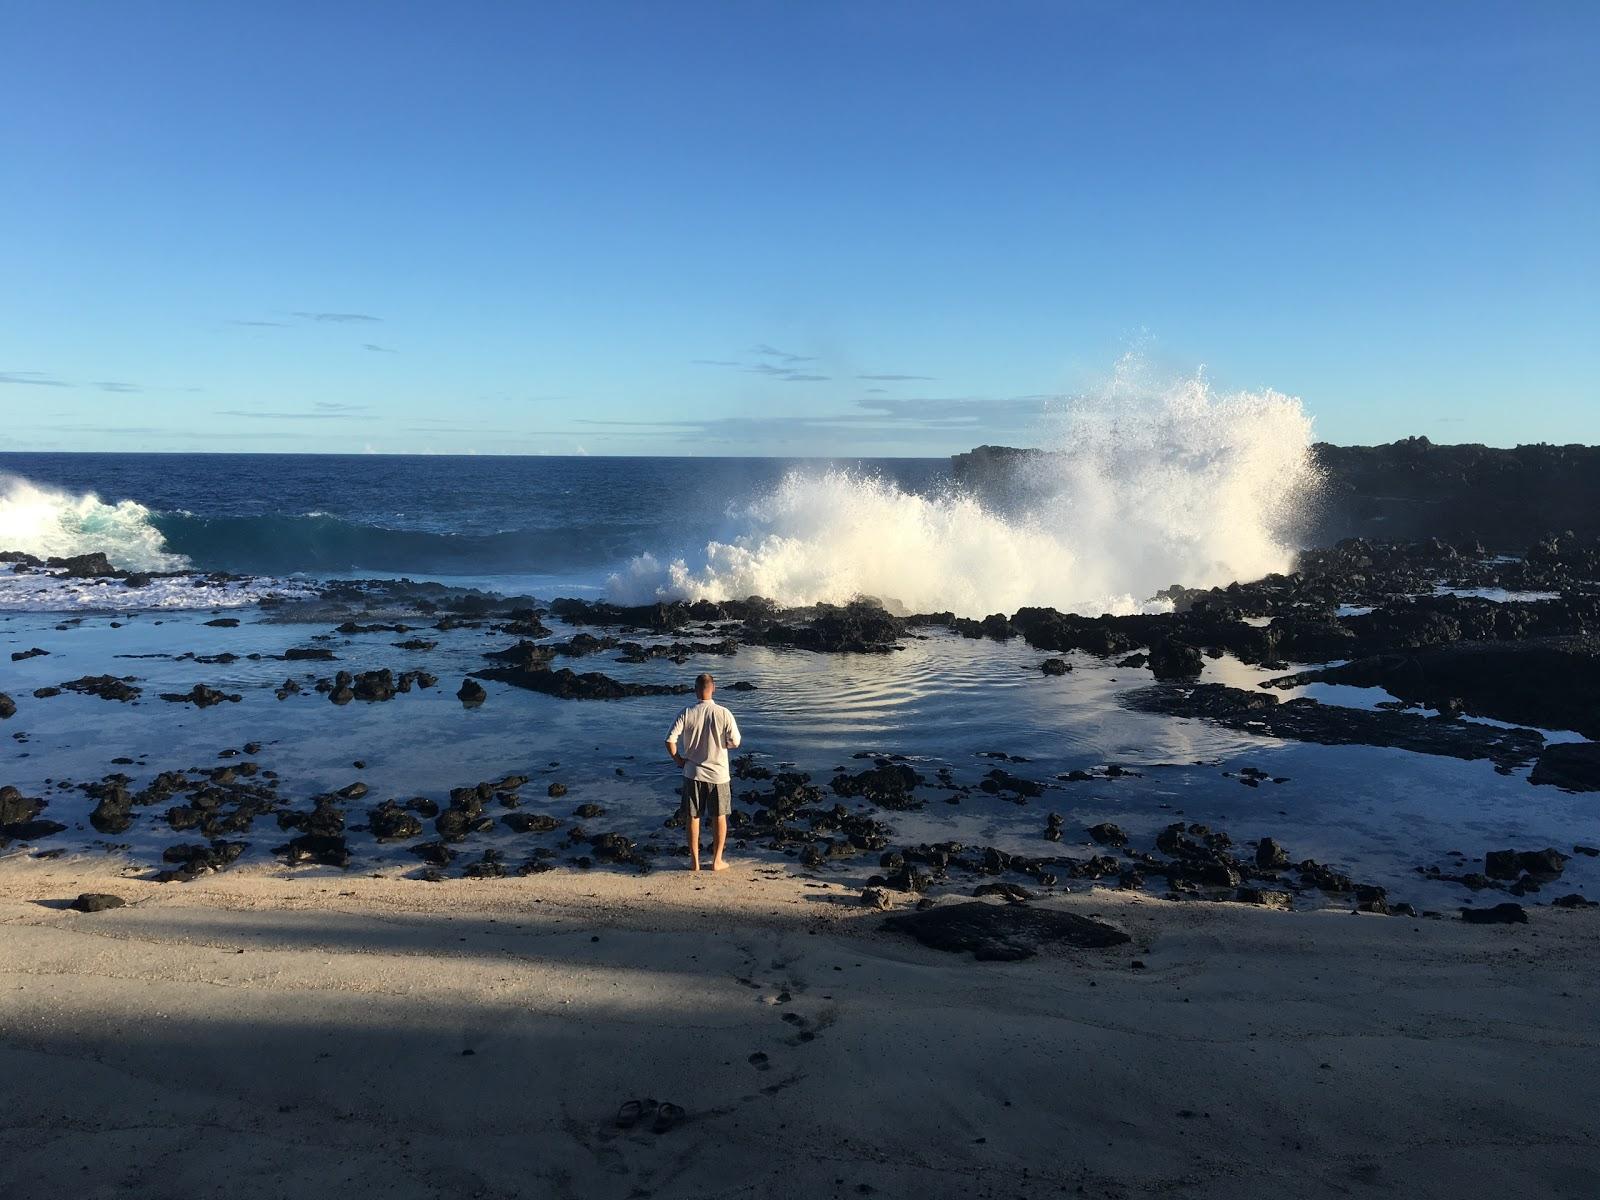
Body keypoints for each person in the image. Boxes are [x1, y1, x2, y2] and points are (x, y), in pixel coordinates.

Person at [665, 672, 742, 871]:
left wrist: (679, 760)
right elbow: (735, 741)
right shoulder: (724, 712)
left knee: (693, 817)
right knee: (719, 817)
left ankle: (695, 862)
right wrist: (722, 744)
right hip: (718, 774)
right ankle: (717, 860)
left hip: (693, 773)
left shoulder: (687, 712)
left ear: (695, 690)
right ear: (713, 688)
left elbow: (670, 741)